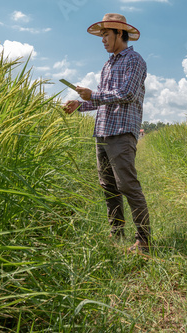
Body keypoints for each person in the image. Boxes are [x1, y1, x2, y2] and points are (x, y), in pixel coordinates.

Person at [63, 13, 151, 253]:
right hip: (102, 132)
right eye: (101, 36)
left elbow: (127, 94)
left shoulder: (134, 60)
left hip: (122, 132)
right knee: (108, 185)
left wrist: (93, 95)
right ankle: (117, 231)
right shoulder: (108, 64)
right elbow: (103, 99)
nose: (102, 40)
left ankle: (144, 240)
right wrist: (80, 105)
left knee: (127, 185)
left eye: (106, 35)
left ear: (119, 34)